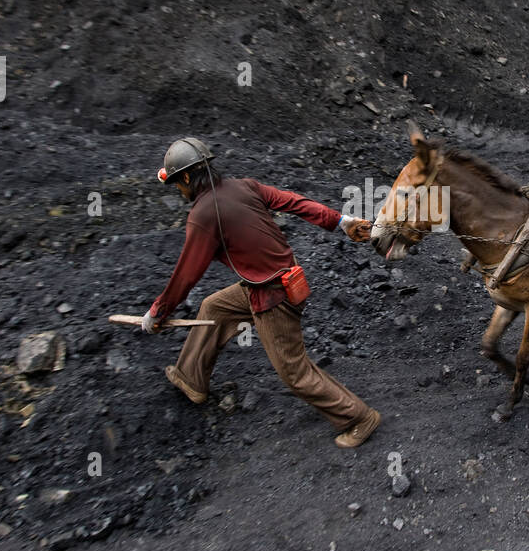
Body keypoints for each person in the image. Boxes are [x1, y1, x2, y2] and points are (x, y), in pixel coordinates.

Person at [141, 137, 383, 448]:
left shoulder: (202, 215)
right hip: (279, 277)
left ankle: (359, 418)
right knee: (215, 307)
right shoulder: (243, 186)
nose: (179, 191)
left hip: (272, 296)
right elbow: (293, 201)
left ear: (186, 177)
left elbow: (187, 274)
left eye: (177, 183)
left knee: (294, 372)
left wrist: (158, 312)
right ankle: (191, 379)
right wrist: (340, 221)